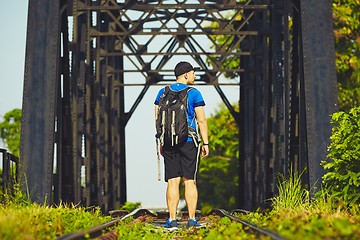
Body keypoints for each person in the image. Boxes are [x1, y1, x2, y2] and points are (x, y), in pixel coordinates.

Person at [154, 61, 209, 229]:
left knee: (172, 181)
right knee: (189, 181)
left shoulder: (162, 93)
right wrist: (205, 142)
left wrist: (162, 140)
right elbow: (201, 120)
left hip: (169, 142)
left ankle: (172, 220)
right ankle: (192, 219)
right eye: (193, 73)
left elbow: (157, 118)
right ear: (185, 74)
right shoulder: (194, 93)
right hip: (188, 141)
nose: (194, 76)